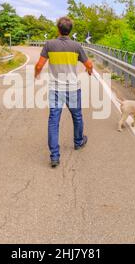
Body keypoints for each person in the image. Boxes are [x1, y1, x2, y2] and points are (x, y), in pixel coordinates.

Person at [34, 17, 93, 168]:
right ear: (70, 30)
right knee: (77, 116)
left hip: (55, 89)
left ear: (58, 29)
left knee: (53, 121)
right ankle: (78, 142)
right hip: (73, 88)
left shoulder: (49, 44)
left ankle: (54, 156)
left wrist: (36, 73)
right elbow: (89, 64)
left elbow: (39, 64)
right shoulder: (76, 46)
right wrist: (89, 71)